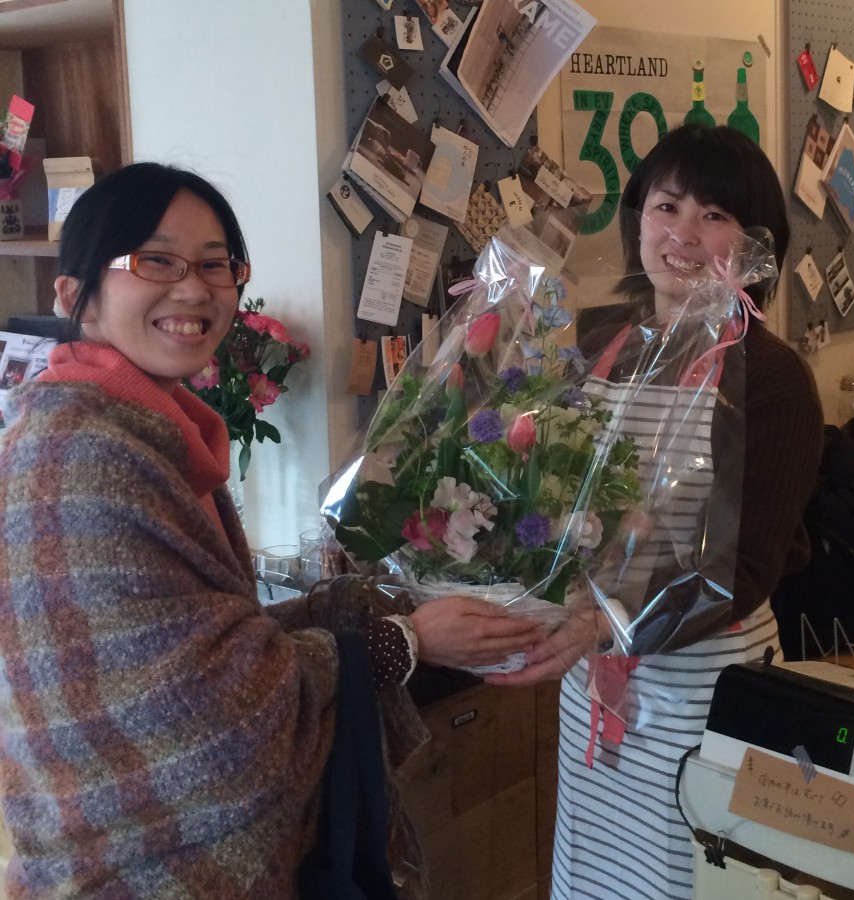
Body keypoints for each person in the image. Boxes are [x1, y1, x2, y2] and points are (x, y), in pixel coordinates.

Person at [0, 162, 540, 898]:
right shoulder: (80, 459)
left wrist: (350, 607)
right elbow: (204, 713)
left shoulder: (150, 435)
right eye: (155, 261)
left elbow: (208, 641)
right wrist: (403, 643)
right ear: (74, 295)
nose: (193, 289)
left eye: (214, 264)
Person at [490, 125, 824, 900]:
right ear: (637, 216)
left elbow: (743, 568)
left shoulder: (772, 378)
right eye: (666, 206)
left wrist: (603, 620)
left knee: (695, 877)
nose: (683, 233)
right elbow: (559, 493)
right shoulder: (602, 342)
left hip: (705, 688)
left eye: (714, 215)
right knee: (597, 874)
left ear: (755, 243)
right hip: (594, 683)